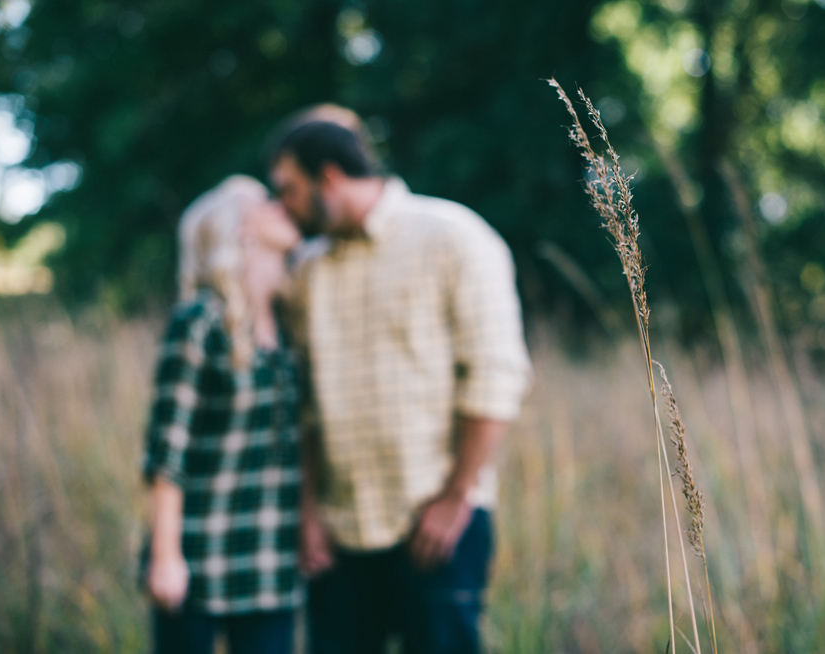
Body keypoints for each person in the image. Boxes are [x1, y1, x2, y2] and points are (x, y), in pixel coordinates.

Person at [269, 119, 532, 654]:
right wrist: (309, 512)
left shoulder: (453, 237)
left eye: (289, 190)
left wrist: (456, 497)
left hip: (436, 525)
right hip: (340, 536)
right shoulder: (307, 271)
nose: (284, 208)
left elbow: (495, 377)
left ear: (330, 176)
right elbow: (307, 409)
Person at [141, 176, 304, 654]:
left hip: (272, 561)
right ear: (240, 230)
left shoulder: (290, 325)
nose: (282, 206)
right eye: (264, 203)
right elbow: (166, 450)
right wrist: (166, 557)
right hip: (199, 556)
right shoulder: (199, 321)